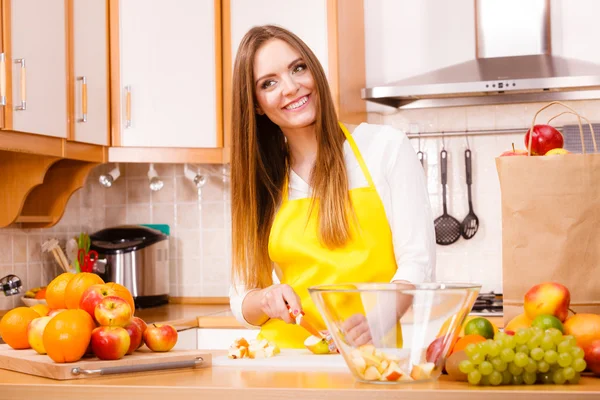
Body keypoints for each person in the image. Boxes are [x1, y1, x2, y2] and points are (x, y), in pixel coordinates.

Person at [229, 24, 436, 349]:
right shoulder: (264, 181)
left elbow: (417, 262)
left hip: (369, 361)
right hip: (283, 363)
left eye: (298, 68)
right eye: (269, 83)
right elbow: (241, 299)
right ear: (256, 104)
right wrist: (266, 298)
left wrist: (382, 315)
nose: (292, 87)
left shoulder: (384, 147)